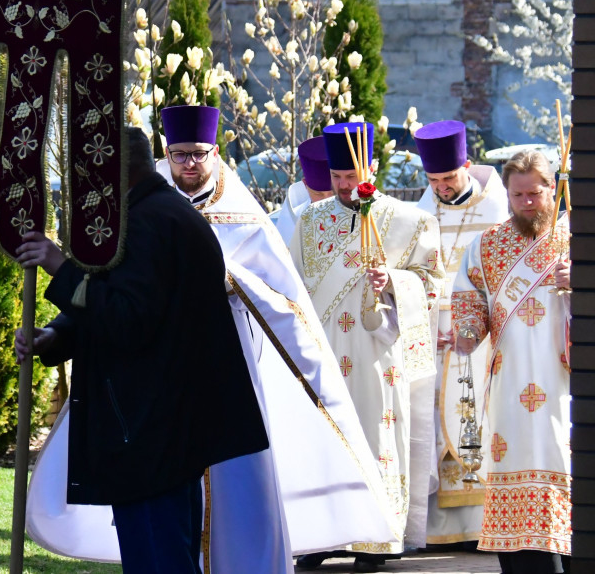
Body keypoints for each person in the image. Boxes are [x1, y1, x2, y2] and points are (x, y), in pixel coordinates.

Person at [15, 126, 269, 573]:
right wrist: (59, 336)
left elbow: (129, 320)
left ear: (113, 172)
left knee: (159, 560)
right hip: (157, 425)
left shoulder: (151, 222)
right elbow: (129, 303)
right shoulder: (154, 213)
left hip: (151, 426)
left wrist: (60, 267)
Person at [154, 106, 396, 563]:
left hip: (230, 363)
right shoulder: (148, 206)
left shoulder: (241, 214)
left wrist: (229, 278)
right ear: (166, 153)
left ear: (216, 152)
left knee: (238, 478)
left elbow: (284, 298)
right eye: (179, 154)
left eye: (198, 154)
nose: (188, 163)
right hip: (164, 363)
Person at [289, 122, 443, 573]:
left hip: (379, 354)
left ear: (372, 167)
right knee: (324, 439)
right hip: (325, 352)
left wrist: (395, 282)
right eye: (336, 177)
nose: (343, 186)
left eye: (351, 176)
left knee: (375, 437)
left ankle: (375, 537)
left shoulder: (411, 221)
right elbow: (293, 290)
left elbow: (434, 285)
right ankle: (321, 535)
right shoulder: (309, 222)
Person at [451, 149, 571, 574]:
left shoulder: (574, 239)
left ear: (551, 188)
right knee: (512, 460)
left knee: (564, 456)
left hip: (564, 383)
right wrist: (466, 333)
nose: (526, 202)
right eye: (517, 195)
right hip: (508, 386)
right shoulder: (486, 246)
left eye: (534, 194)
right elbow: (469, 299)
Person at [412, 120, 509, 545]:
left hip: (479, 340)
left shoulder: (495, 211)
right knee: (434, 426)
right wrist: (422, 320)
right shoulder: (422, 211)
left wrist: (476, 324)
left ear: (466, 165)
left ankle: (479, 526)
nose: (442, 188)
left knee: (476, 422)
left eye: (448, 178)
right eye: (433, 180)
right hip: (433, 340)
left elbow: (503, 279)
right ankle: (436, 531)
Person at [273, 135, 334, 244]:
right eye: (318, 194)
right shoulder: (292, 220)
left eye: (333, 194)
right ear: (305, 185)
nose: (326, 201)